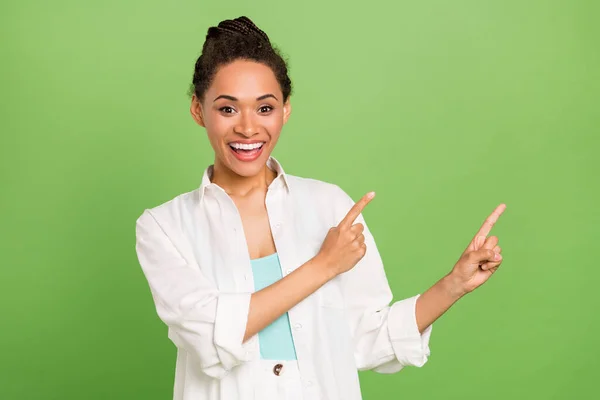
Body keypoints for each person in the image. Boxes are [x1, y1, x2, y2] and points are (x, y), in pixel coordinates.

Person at [134, 16, 506, 400]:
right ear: (198, 110)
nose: (248, 128)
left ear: (285, 110)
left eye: (265, 108)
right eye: (228, 109)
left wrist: (454, 285)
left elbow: (368, 337)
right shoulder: (164, 227)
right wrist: (324, 265)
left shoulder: (329, 205)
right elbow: (210, 334)